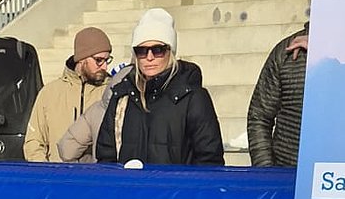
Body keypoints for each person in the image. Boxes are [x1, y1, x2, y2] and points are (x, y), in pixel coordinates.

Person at [56, 9, 224, 166]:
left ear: (170, 51)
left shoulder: (193, 98)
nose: (149, 57)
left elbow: (210, 161)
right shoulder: (121, 97)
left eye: (157, 50)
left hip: (177, 188)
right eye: (141, 50)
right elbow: (106, 159)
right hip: (128, 188)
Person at [246, 0, 345, 167]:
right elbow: (259, 116)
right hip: (289, 172)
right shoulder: (286, 53)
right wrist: (267, 170)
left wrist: (325, 50)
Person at [22, 25, 113, 162]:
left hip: (97, 174)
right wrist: (47, 171)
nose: (105, 66)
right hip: (57, 173)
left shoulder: (111, 92)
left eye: (107, 60)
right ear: (81, 59)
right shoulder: (49, 93)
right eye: (99, 60)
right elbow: (34, 143)